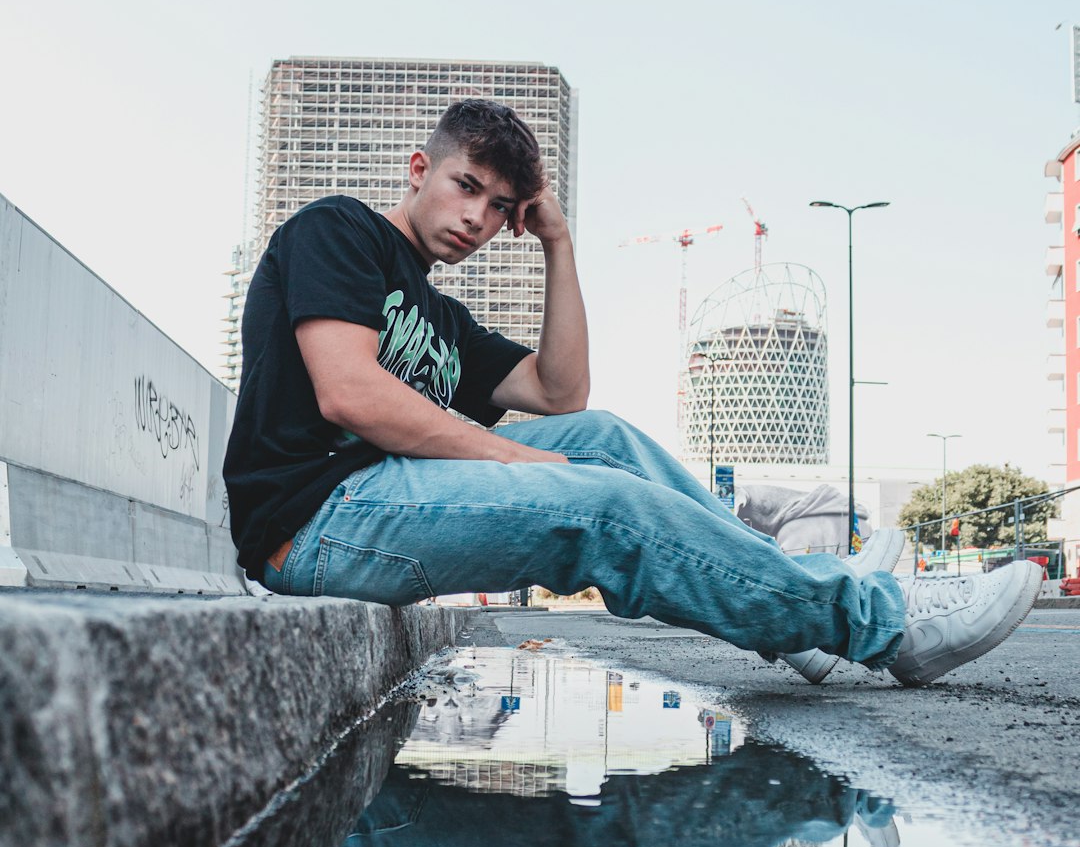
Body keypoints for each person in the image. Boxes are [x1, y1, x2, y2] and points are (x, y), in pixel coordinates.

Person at [223, 99, 1040, 685]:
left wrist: (557, 242)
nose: (477, 217)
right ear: (419, 170)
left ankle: (805, 625)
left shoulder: (444, 316)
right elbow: (350, 393)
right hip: (314, 523)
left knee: (603, 441)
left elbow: (562, 392)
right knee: (600, 504)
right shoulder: (338, 230)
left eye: (500, 206)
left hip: (379, 498)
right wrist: (512, 460)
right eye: (465, 186)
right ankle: (886, 626)